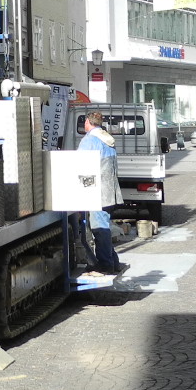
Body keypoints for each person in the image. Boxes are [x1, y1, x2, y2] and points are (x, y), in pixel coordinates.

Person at [78, 110, 125, 276]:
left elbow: (80, 165)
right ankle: (114, 262)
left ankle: (105, 265)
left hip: (98, 193)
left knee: (100, 229)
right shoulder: (107, 138)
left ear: (87, 122)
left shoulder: (90, 140)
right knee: (104, 226)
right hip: (110, 191)